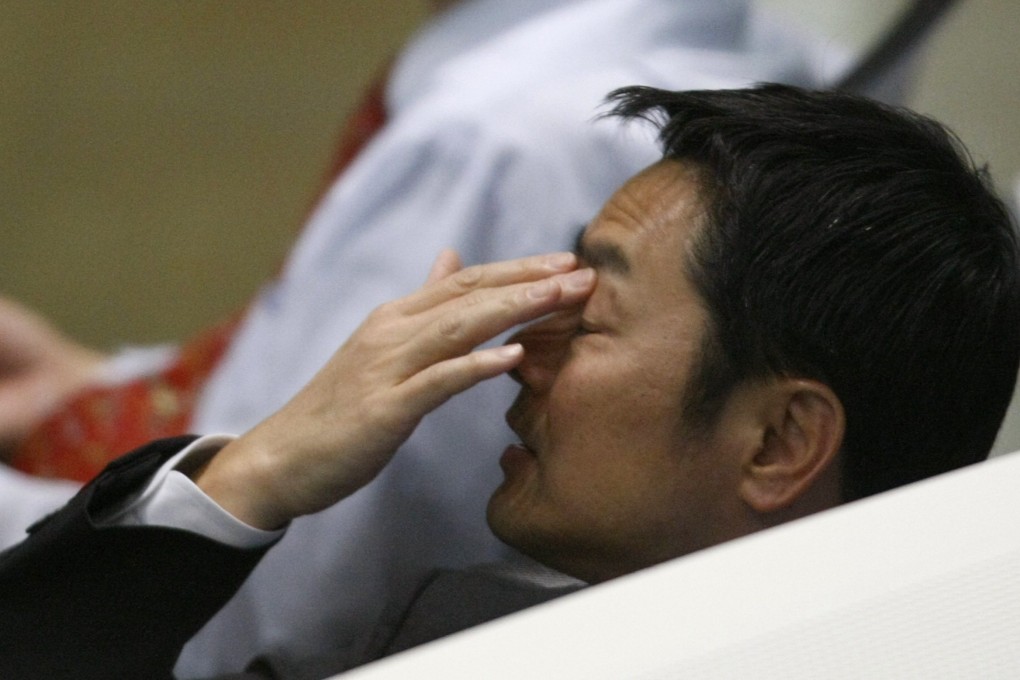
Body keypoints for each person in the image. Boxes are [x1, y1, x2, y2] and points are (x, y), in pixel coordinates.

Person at [2, 83, 1017, 679]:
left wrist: (257, 471)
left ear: (779, 442)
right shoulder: (476, 625)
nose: (524, 352)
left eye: (590, 318)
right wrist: (245, 477)